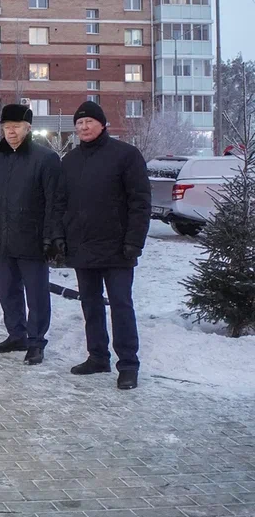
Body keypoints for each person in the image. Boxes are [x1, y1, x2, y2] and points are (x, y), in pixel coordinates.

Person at [61, 101, 151, 390]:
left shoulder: (126, 155)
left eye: (89, 121)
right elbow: (62, 204)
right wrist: (63, 238)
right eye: (79, 123)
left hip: (118, 248)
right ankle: (97, 356)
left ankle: (128, 365)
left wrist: (134, 241)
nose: (84, 127)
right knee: (90, 304)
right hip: (83, 245)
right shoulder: (70, 160)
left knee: (121, 305)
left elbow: (140, 203)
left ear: (102, 124)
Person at [0, 104, 63, 366]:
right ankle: (16, 334)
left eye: (16, 127)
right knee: (7, 291)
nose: (11, 132)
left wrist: (50, 237)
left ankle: (36, 341)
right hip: (4, 239)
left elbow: (54, 202)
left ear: (28, 128)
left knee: (36, 294)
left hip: (33, 239)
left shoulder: (45, 159)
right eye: (7, 127)